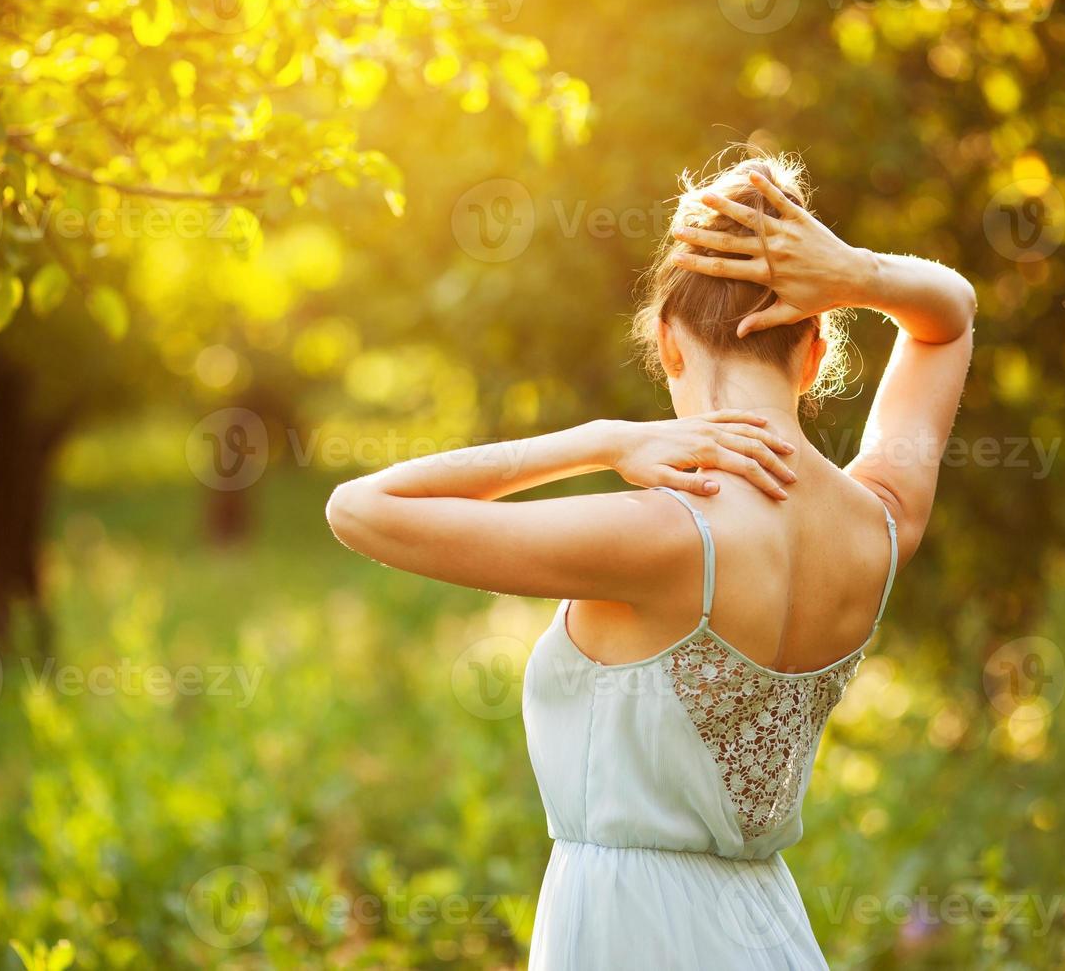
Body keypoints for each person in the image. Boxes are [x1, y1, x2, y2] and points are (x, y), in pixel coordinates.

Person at [327, 149, 975, 968]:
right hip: (769, 929)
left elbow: (358, 508)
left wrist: (601, 441)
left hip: (624, 933)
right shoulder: (880, 524)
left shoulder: (662, 536)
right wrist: (858, 273)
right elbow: (949, 315)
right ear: (815, 353)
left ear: (667, 346)